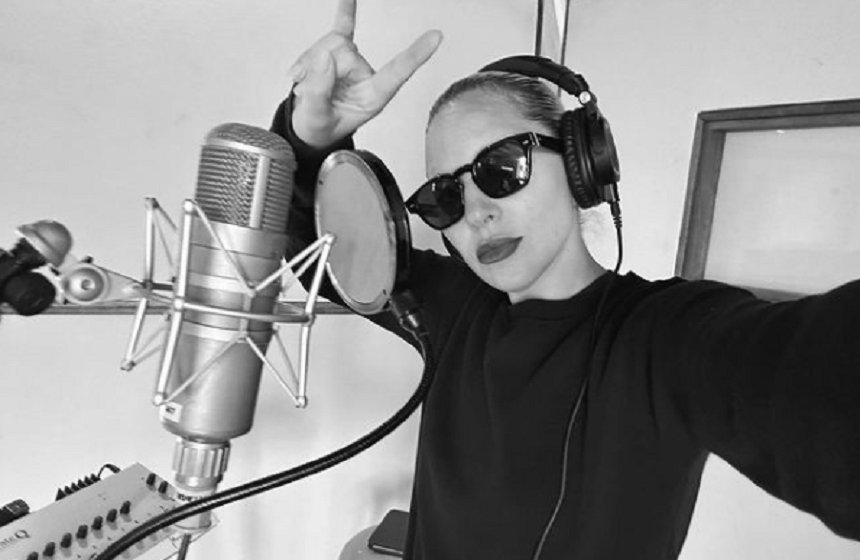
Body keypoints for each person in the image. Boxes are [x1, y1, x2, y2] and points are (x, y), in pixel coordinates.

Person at [271, 0, 860, 558]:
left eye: (502, 167)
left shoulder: (666, 336)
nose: (476, 212)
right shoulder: (451, 307)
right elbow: (317, 251)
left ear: (583, 162)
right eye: (445, 196)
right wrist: (310, 142)